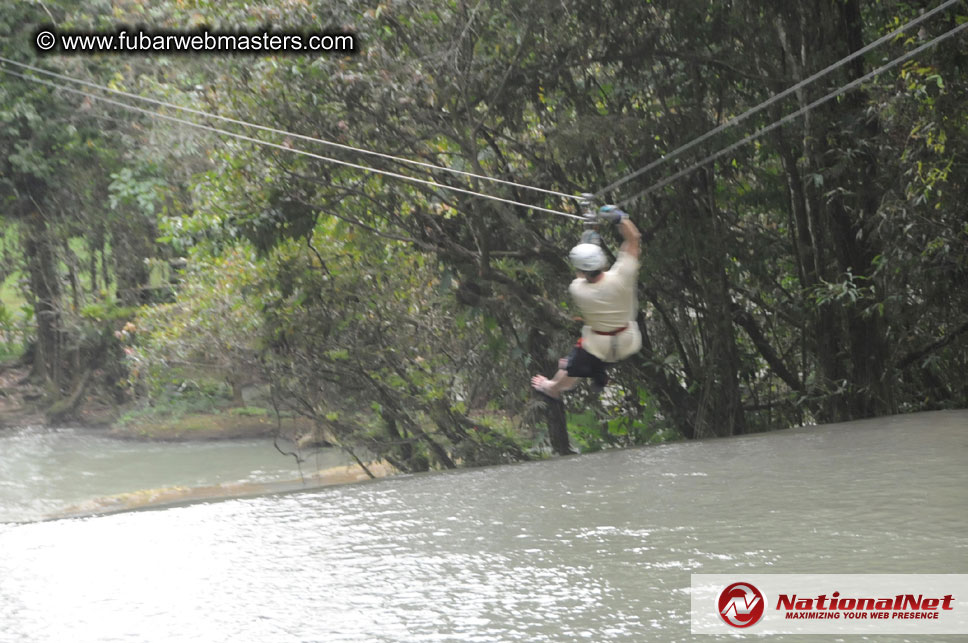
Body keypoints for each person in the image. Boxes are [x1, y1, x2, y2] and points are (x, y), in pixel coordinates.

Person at [531, 206, 642, 399]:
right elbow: (633, 239)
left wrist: (587, 240)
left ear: (581, 271)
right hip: (628, 340)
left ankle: (552, 387)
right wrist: (620, 218)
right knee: (580, 358)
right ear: (603, 262)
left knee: (571, 366)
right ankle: (598, 373)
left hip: (598, 344)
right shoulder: (623, 276)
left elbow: (582, 275)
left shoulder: (578, 289)